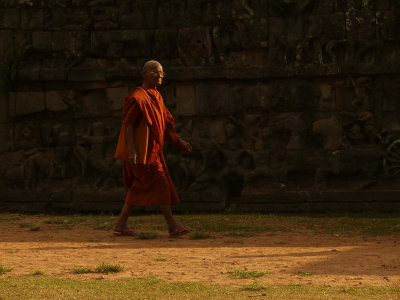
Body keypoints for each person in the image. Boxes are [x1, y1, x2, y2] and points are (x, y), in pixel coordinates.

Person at [113, 60, 193, 238]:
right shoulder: (138, 97)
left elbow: (165, 126)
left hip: (154, 152)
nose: (159, 76)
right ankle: (172, 226)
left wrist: (180, 142)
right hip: (142, 153)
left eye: (162, 73)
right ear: (144, 74)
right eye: (155, 72)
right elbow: (128, 125)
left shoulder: (156, 97)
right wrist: (132, 151)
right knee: (161, 184)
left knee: (139, 186)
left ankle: (120, 224)